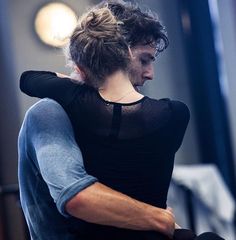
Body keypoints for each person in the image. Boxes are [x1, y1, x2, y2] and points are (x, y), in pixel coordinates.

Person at [18, 1, 224, 240]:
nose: (150, 74)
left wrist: (75, 86)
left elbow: (29, 79)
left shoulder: (76, 105)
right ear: (122, 53)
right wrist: (160, 217)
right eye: (144, 60)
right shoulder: (50, 113)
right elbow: (77, 197)